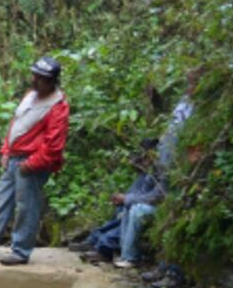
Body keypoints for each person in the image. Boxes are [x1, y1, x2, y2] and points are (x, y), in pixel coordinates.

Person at [75, 69, 200, 269]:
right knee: (127, 202)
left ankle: (118, 251)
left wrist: (129, 199)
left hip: (166, 191)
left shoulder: (175, 161)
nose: (189, 87)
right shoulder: (182, 109)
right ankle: (101, 242)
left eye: (193, 83)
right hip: (159, 176)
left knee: (133, 207)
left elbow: (160, 195)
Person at [0, 56, 70, 266]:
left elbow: (54, 145)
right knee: (0, 203)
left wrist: (31, 164)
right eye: (35, 75)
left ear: (52, 81)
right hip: (14, 158)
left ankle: (20, 251)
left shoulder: (58, 106)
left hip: (32, 163)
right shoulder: (30, 95)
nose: (35, 80)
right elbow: (16, 123)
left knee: (26, 207)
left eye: (41, 78)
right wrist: (5, 150)